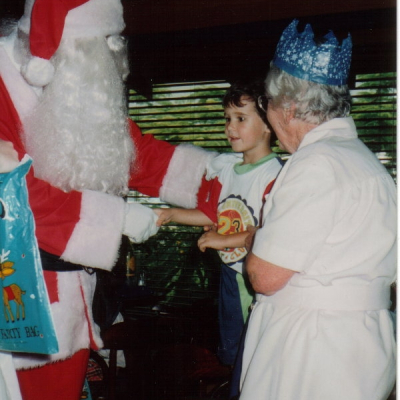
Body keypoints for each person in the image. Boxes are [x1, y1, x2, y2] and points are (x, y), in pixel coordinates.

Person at [0, 1, 215, 399]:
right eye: (105, 44)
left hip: (70, 298)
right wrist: (116, 219)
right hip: (16, 298)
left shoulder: (76, 87)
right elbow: (13, 194)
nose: (114, 57)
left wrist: (219, 177)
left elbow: (134, 153)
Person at [239, 20, 396, 400]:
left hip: (312, 347)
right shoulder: (369, 165)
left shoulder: (316, 164)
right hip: (363, 340)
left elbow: (265, 276)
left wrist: (252, 239)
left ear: (289, 108)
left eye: (267, 104)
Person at [155, 81, 283, 370]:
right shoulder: (228, 168)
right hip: (229, 273)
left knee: (249, 355)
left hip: (251, 277)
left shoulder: (275, 175)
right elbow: (214, 215)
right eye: (227, 119)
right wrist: (173, 213)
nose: (230, 127)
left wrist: (222, 240)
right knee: (231, 351)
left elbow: (269, 233)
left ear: (267, 125)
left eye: (240, 119)